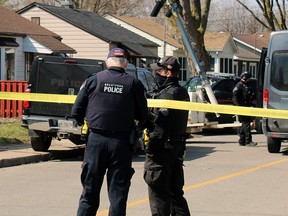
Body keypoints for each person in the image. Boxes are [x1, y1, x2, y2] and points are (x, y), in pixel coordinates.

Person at [72, 48, 148, 216]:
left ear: (107, 62)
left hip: (95, 141)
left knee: (89, 191)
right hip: (121, 143)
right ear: (126, 64)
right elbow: (143, 114)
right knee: (118, 194)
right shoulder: (134, 83)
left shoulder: (93, 80)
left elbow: (76, 110)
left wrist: (85, 123)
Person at [143, 56, 191, 216]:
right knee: (176, 196)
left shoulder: (167, 96)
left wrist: (151, 148)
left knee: (160, 200)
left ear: (168, 73)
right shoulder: (182, 92)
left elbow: (161, 129)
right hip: (176, 149)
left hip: (162, 152)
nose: (156, 74)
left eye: (159, 71)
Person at [232, 71, 257, 147]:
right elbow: (234, 96)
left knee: (244, 124)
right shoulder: (239, 85)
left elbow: (248, 96)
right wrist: (238, 106)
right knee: (246, 124)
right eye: (248, 78)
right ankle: (248, 141)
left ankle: (242, 140)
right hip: (241, 107)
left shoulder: (246, 85)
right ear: (245, 78)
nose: (249, 80)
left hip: (246, 106)